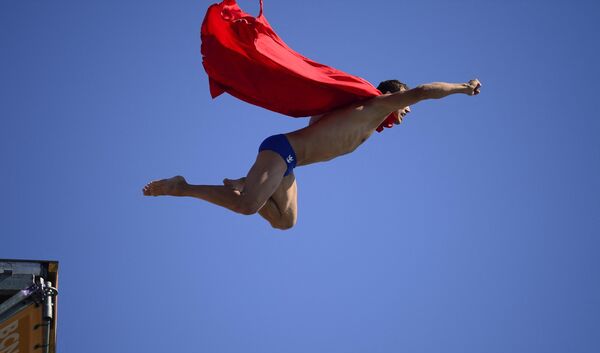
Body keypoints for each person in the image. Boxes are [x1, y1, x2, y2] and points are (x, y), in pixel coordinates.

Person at [143, 79, 482, 229]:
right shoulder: (376, 106)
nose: (406, 112)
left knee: (285, 221)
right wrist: (462, 89)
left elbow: (320, 116)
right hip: (281, 150)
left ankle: (245, 182)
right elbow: (423, 92)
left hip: (289, 165)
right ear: (395, 95)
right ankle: (182, 186)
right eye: (404, 104)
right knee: (249, 207)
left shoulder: (358, 114)